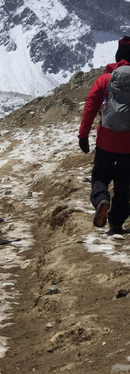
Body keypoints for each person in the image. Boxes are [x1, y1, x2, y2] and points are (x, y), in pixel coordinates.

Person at [78, 36, 130, 234]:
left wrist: (83, 136)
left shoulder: (105, 79)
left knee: (100, 175)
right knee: (124, 184)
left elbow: (90, 107)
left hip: (106, 141)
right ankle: (117, 222)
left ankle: (101, 199)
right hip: (129, 144)